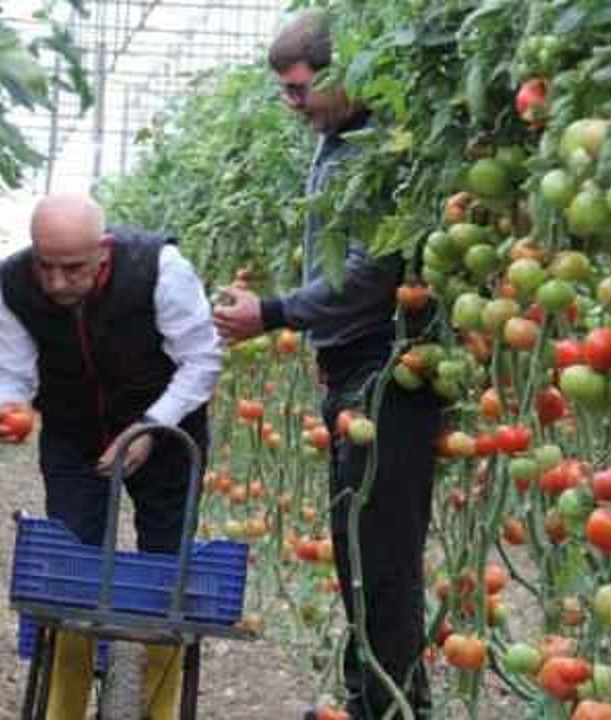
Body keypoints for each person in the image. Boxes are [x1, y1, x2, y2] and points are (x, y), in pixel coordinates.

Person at [212, 9, 442, 719]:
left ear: (344, 74)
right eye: (284, 90)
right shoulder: (339, 144)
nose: (292, 104)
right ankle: (376, 701)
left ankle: (386, 709)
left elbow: (372, 273)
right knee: (359, 554)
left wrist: (275, 312)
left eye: (298, 88)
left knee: (380, 557)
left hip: (389, 372)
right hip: (355, 370)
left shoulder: (380, 150)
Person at [0, 193, 222, 719]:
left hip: (168, 429)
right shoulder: (12, 284)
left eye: (73, 268)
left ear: (104, 249)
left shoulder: (161, 269)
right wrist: (5, 405)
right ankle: (64, 709)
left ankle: (158, 711)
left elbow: (201, 360)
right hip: (74, 434)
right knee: (72, 572)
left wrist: (151, 427)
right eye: (46, 266)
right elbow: (12, 371)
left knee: (166, 573)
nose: (56, 283)